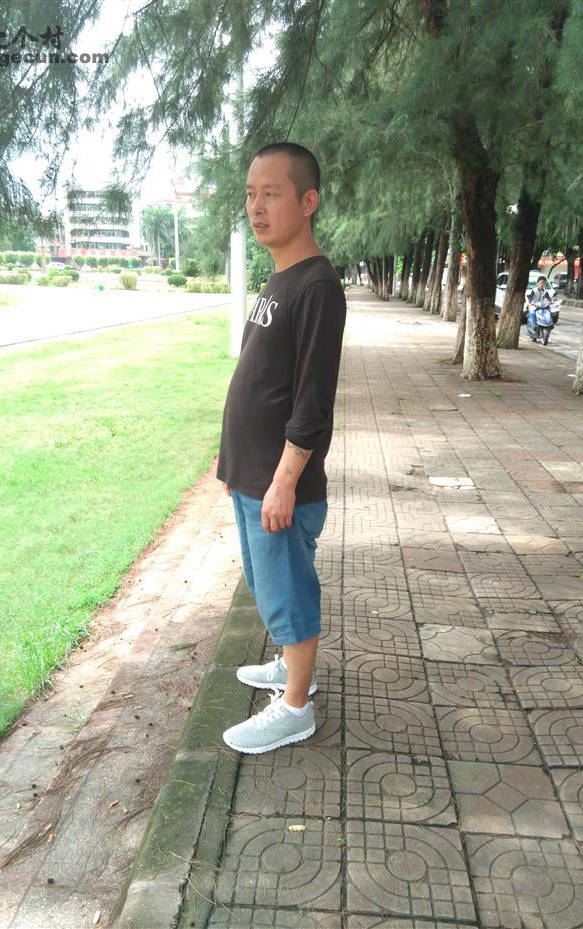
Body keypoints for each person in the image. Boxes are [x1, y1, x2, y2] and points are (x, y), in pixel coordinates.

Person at [216, 142, 347, 754]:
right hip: (252, 472)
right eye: (251, 194)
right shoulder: (281, 277)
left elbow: (312, 401)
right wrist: (234, 461)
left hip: (279, 481)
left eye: (271, 194)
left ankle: (296, 706)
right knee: (266, 582)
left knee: (288, 589)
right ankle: (292, 666)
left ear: (308, 201)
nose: (256, 207)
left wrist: (284, 480)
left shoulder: (317, 285)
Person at [525, 274, 552, 342]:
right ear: (538, 283)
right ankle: (534, 327)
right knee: (533, 313)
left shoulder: (545, 292)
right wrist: (531, 302)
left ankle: (549, 327)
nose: (542, 284)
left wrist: (550, 302)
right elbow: (530, 297)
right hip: (534, 307)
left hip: (542, 307)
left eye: (543, 283)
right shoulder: (533, 290)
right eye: (541, 282)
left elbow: (549, 299)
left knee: (549, 313)